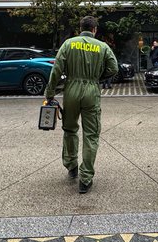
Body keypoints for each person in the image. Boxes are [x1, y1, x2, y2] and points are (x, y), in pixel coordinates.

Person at [44, 16, 118, 194]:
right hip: (91, 91)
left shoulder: (69, 44)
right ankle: (85, 179)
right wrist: (96, 77)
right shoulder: (102, 46)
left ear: (80, 28)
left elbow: (56, 70)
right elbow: (114, 68)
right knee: (91, 135)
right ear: (94, 30)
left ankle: (71, 166)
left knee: (70, 130)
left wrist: (50, 93)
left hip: (71, 90)